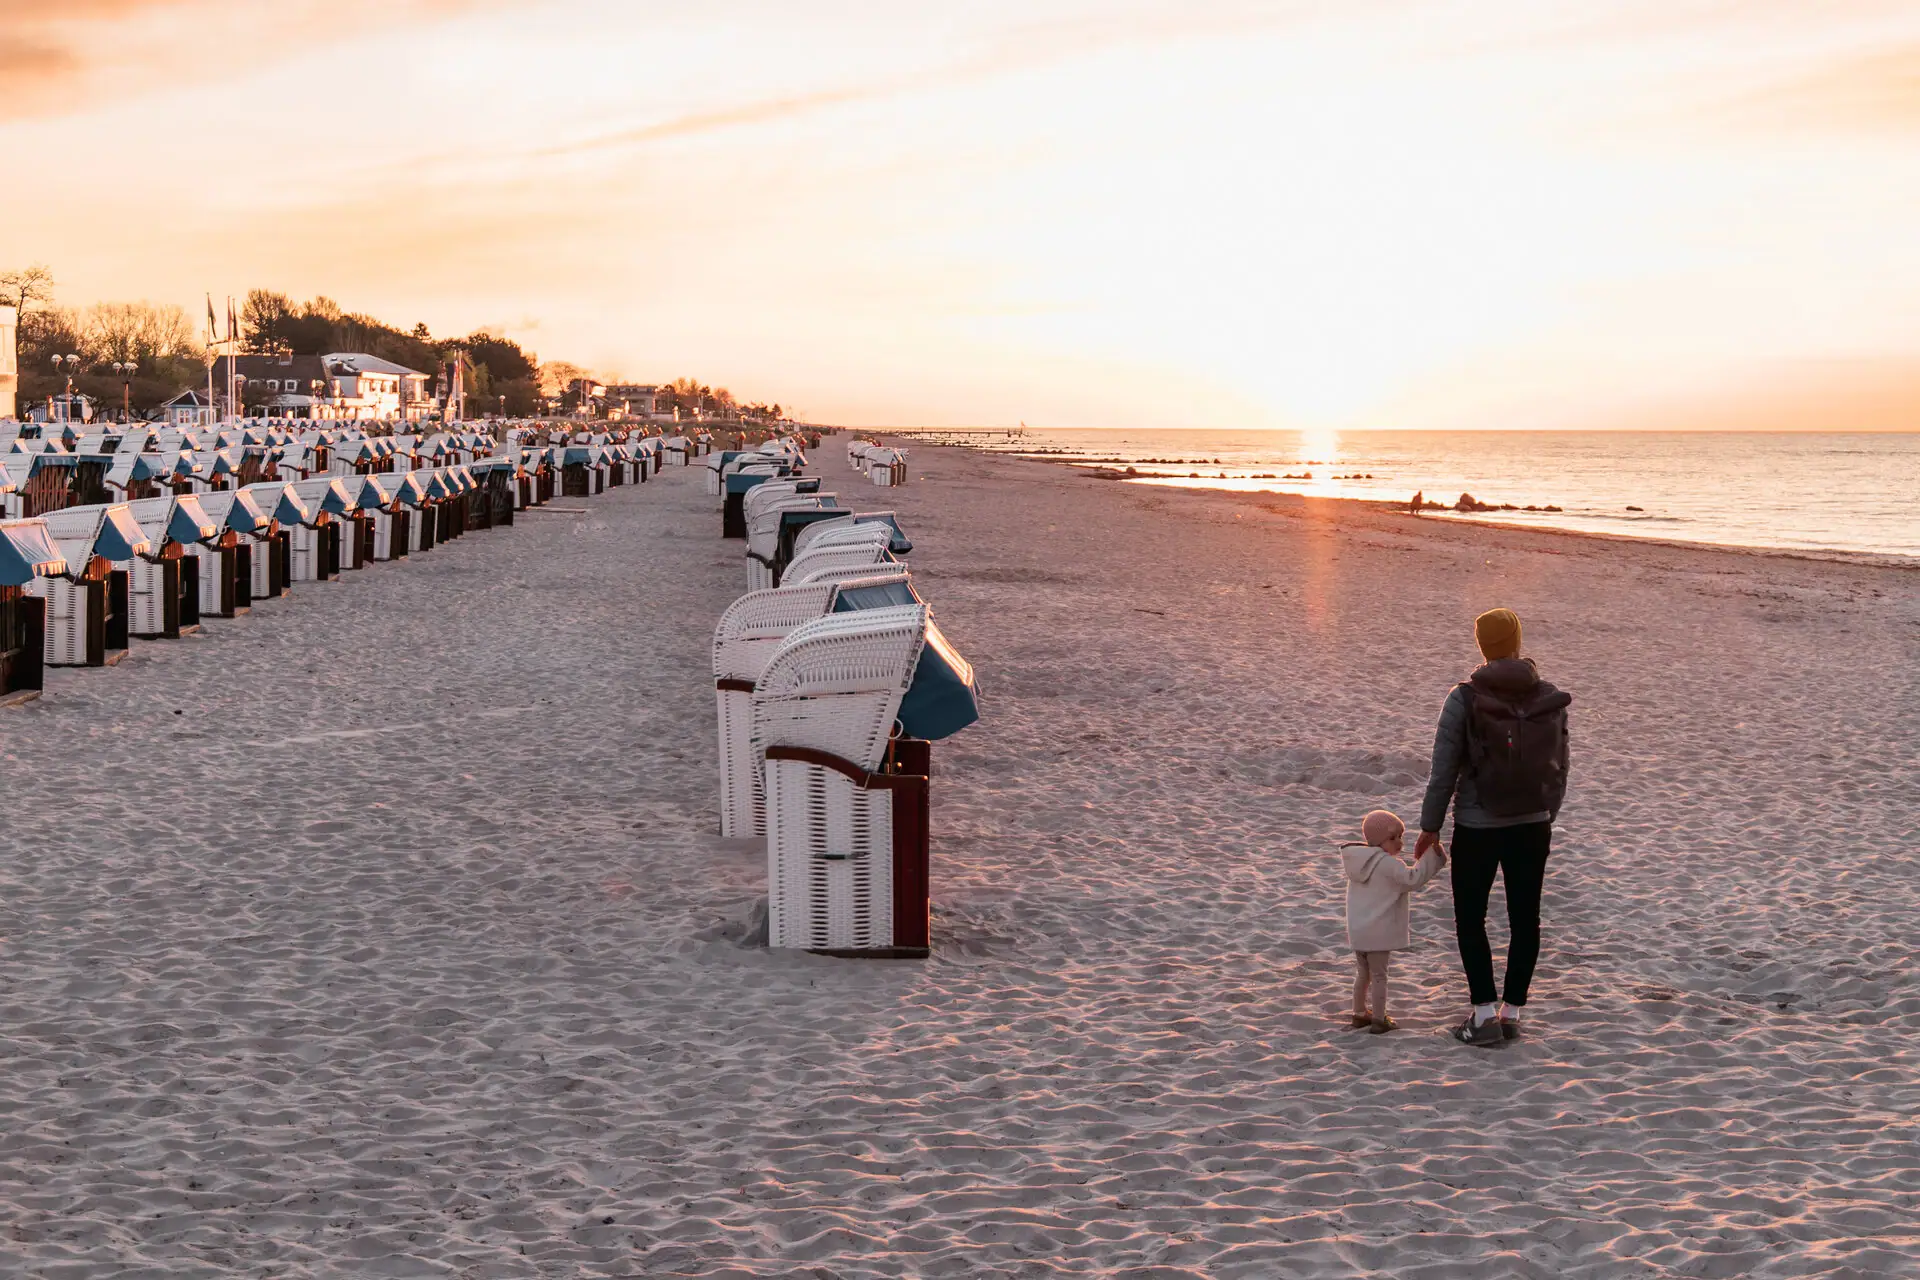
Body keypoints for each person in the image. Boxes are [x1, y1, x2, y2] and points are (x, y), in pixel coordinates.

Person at [1415, 608, 1572, 1048]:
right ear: (1518, 642)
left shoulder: (1462, 698)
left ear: (1482, 645)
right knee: (1526, 918)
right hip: (1532, 824)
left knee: (1471, 916)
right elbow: (1560, 769)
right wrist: (1547, 814)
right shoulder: (1549, 696)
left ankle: (1483, 1015)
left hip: (1477, 824)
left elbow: (1442, 772)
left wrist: (1429, 826)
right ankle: (1512, 1013)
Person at [1342, 809, 1446, 1034]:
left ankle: (1359, 1013)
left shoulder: (1358, 864)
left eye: (1400, 836)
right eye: (1392, 838)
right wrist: (1433, 856)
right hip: (1378, 933)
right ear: (1378, 841)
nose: (1399, 842)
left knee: (1363, 974)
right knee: (1379, 975)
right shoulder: (1389, 865)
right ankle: (1379, 1019)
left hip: (1359, 931)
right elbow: (1413, 879)